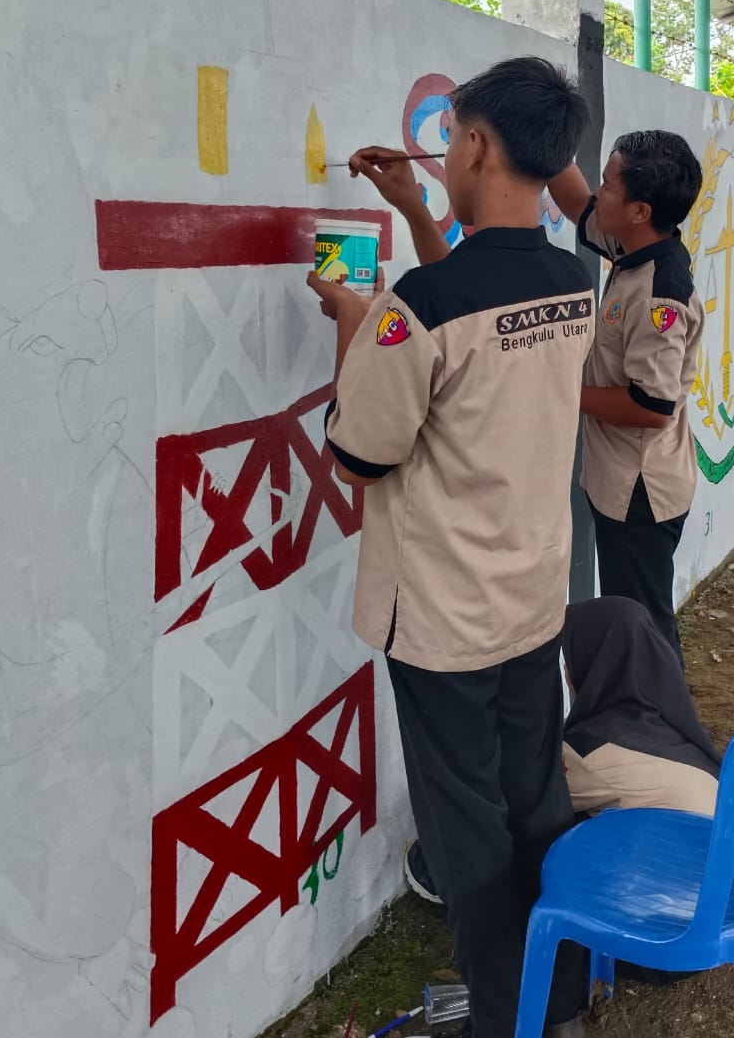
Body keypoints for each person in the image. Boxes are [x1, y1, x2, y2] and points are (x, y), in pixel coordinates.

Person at [309, 56, 595, 1038]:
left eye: (449, 143)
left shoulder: (413, 311)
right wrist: (411, 223)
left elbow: (360, 457)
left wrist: (355, 320)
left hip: (441, 619)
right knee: (534, 800)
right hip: (528, 599)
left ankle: (503, 1020)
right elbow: (472, 298)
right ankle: (556, 993)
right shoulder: (570, 283)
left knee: (468, 829)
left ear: (474, 145)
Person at [405, 596, 723, 906]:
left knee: (525, 826)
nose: (568, 672)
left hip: (668, 901)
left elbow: (523, 797)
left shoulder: (592, 748)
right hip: (719, 878)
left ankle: (436, 876)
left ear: (593, 665)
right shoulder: (670, 723)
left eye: (570, 658)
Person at [543, 132, 704, 664]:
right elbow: (574, 202)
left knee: (644, 627)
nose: (598, 192)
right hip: (623, 480)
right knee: (630, 616)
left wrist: (560, 390)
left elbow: (650, 408)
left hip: (641, 492)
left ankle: (665, 734)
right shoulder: (634, 244)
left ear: (639, 209)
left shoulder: (660, 291)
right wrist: (537, 134)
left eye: (608, 184)